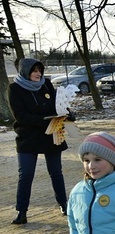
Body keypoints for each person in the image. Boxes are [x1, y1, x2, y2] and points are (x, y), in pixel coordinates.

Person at [9, 58, 72, 225]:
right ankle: (21, 211)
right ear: (25, 72)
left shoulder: (47, 85)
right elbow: (20, 116)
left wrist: (66, 113)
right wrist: (46, 120)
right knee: (26, 174)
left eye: (40, 71)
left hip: (51, 135)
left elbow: (57, 106)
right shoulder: (15, 88)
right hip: (28, 137)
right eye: (34, 71)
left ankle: (63, 204)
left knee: (56, 171)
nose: (38, 74)